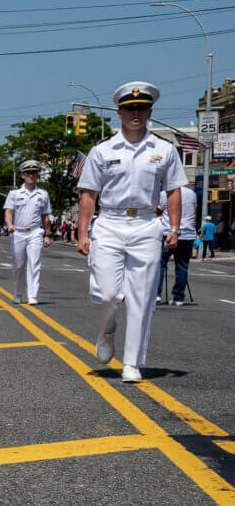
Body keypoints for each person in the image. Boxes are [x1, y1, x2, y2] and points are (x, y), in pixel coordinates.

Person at [76, 81, 188, 383]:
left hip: (147, 224)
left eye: (140, 108)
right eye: (129, 109)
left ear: (150, 111)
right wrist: (82, 233)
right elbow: (89, 194)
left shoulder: (164, 150)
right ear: (119, 112)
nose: (135, 113)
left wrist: (174, 227)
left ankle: (132, 362)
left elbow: (175, 190)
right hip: (109, 223)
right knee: (105, 293)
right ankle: (106, 329)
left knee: (142, 297)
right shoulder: (102, 150)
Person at [4, 161, 53, 304]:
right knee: (19, 265)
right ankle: (18, 292)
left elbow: (46, 217)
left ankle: (32, 295)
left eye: (34, 173)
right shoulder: (14, 194)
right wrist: (9, 224)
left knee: (34, 263)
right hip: (18, 232)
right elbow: (8, 211)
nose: (31, 175)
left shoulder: (43, 194)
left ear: (37, 175)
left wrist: (47, 235)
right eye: (28, 173)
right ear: (23, 175)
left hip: (35, 232)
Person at [158, 184, 197, 305]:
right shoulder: (192, 194)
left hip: (168, 232)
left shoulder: (165, 193)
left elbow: (158, 210)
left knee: (159, 264)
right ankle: (178, 297)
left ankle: (156, 294)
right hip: (187, 234)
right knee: (182, 266)